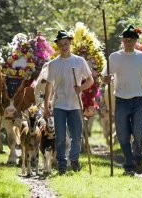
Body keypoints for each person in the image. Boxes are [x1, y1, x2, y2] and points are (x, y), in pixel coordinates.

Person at [102, 25, 142, 176]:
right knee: (122, 135)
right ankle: (129, 163)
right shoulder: (114, 57)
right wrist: (105, 79)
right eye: (125, 40)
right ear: (122, 41)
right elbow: (105, 77)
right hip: (121, 100)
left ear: (136, 41)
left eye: (131, 40)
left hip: (138, 100)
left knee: (138, 132)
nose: (128, 42)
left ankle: (138, 156)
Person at [43, 30, 94, 175]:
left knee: (77, 136)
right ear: (58, 45)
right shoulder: (53, 64)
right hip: (59, 104)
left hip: (75, 105)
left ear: (70, 43)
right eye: (60, 44)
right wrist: (46, 106)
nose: (63, 46)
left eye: (66, 43)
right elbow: (49, 85)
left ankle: (74, 158)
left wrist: (81, 88)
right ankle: (62, 164)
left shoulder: (79, 61)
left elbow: (90, 80)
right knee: (59, 137)